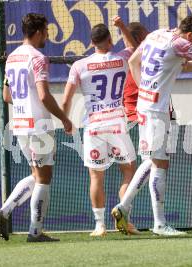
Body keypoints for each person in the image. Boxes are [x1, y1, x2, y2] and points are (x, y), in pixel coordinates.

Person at [111, 16, 192, 236]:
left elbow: (133, 62)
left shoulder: (155, 34)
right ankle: (159, 223)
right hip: (156, 109)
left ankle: (124, 206)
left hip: (145, 105)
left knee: (152, 161)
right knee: (160, 164)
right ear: (190, 35)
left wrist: (144, 89)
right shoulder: (180, 43)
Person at [0, 13, 73, 242]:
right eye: (46, 31)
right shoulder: (37, 57)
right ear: (37, 32)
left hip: (20, 124)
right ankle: (35, 232)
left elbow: (7, 95)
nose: (47, 35)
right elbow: (44, 95)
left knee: (36, 174)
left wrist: (25, 103)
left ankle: (4, 212)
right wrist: (64, 118)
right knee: (44, 177)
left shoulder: (12, 57)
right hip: (39, 124)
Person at [61, 16, 139, 237]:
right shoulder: (121, 58)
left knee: (96, 177)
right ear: (110, 41)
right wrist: (122, 26)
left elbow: (66, 100)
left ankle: (99, 225)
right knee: (129, 172)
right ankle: (124, 215)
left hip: (93, 126)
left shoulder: (79, 65)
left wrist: (66, 121)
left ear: (91, 42)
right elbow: (133, 47)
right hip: (116, 123)